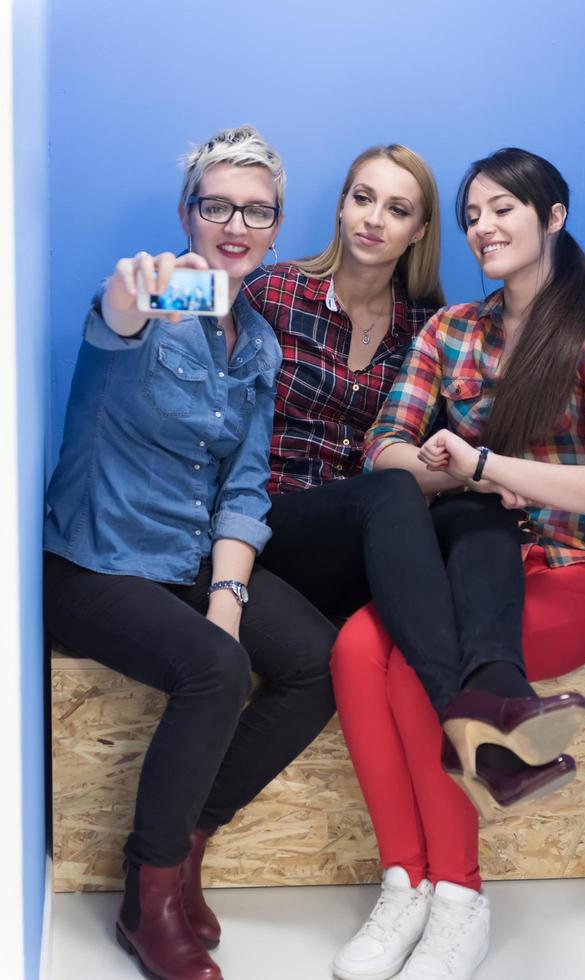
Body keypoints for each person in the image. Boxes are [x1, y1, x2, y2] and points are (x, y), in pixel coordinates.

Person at [330, 147, 585, 980]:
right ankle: (406, 882)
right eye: (472, 215)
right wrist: (444, 468)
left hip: (575, 567)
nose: (483, 228)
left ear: (552, 218)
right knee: (358, 648)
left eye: (503, 209)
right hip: (471, 554)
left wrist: (484, 467)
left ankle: (459, 900)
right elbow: (383, 448)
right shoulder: (451, 331)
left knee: (410, 677)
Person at [44, 125, 336, 980]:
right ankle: (147, 892)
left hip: (187, 564)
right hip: (94, 565)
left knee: (317, 659)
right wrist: (143, 294)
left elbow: (246, 488)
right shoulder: (151, 298)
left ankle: (192, 837)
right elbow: (119, 314)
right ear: (189, 212)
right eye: (217, 206)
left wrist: (228, 595)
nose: (235, 223)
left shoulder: (260, 346)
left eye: (256, 211)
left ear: (277, 228)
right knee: (213, 670)